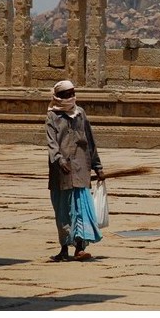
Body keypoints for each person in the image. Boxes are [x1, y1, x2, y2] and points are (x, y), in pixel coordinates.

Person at [45, 80, 105, 262]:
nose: (71, 97)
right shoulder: (52, 117)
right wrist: (59, 159)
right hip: (61, 172)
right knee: (63, 210)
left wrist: (98, 166)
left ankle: (80, 248)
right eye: (67, 94)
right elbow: (52, 142)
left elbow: (90, 141)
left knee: (80, 209)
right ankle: (64, 248)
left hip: (80, 168)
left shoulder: (80, 114)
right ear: (59, 96)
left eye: (73, 93)